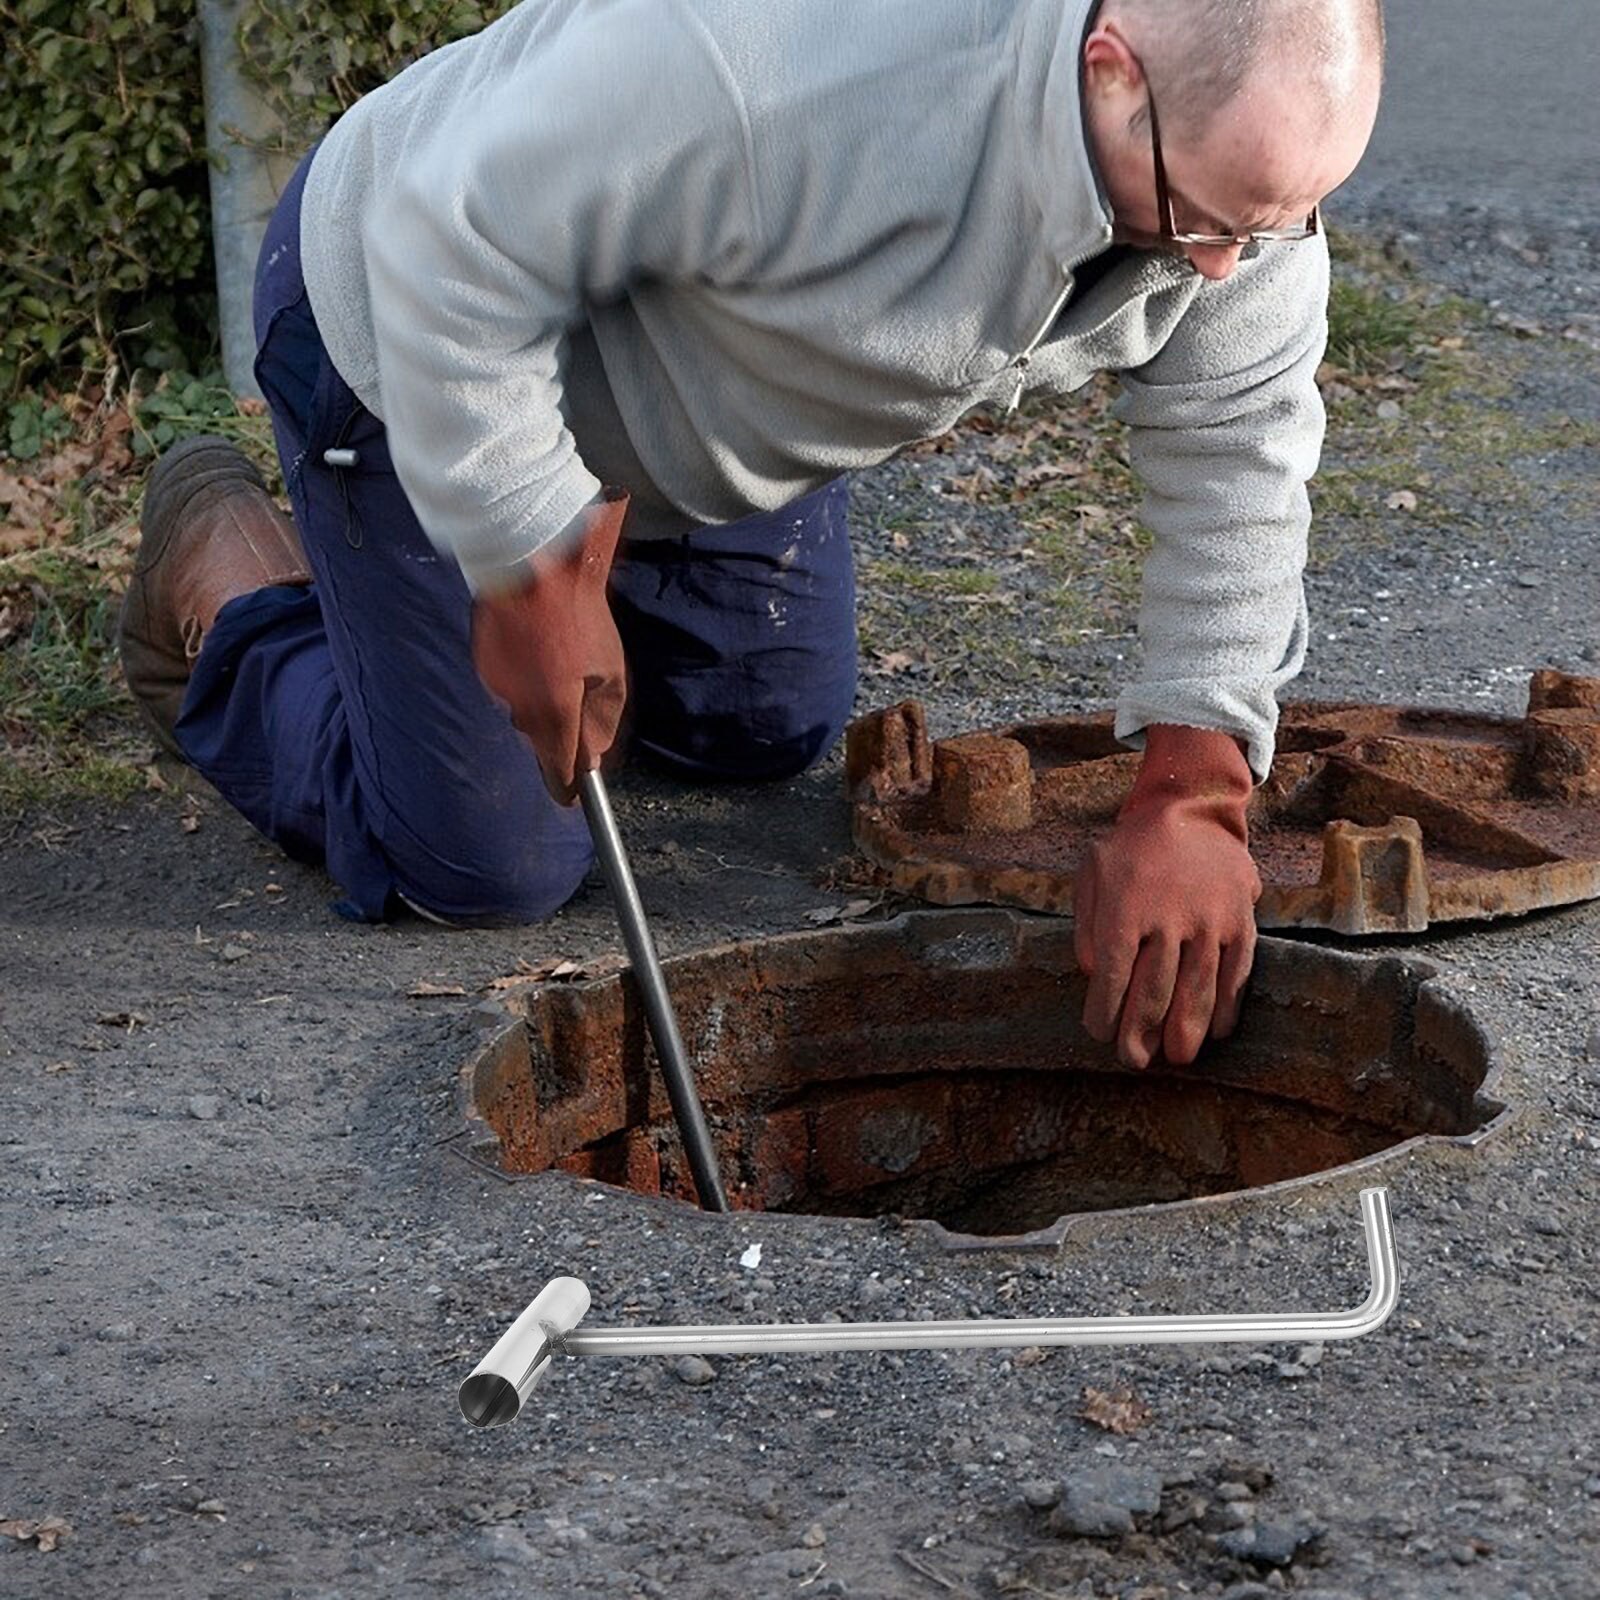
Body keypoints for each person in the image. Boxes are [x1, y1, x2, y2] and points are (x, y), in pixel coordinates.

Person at [118, 0, 1384, 1071]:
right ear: (1109, 68)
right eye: (1206, 219)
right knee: (489, 863)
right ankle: (229, 582)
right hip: (412, 326)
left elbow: (1240, 435)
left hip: (696, 372)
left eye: (1275, 223)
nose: (1226, 268)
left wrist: (1198, 791)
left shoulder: (1234, 183)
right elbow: (453, 234)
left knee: (759, 730)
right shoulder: (782, 62)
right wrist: (525, 556)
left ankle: (591, 558)